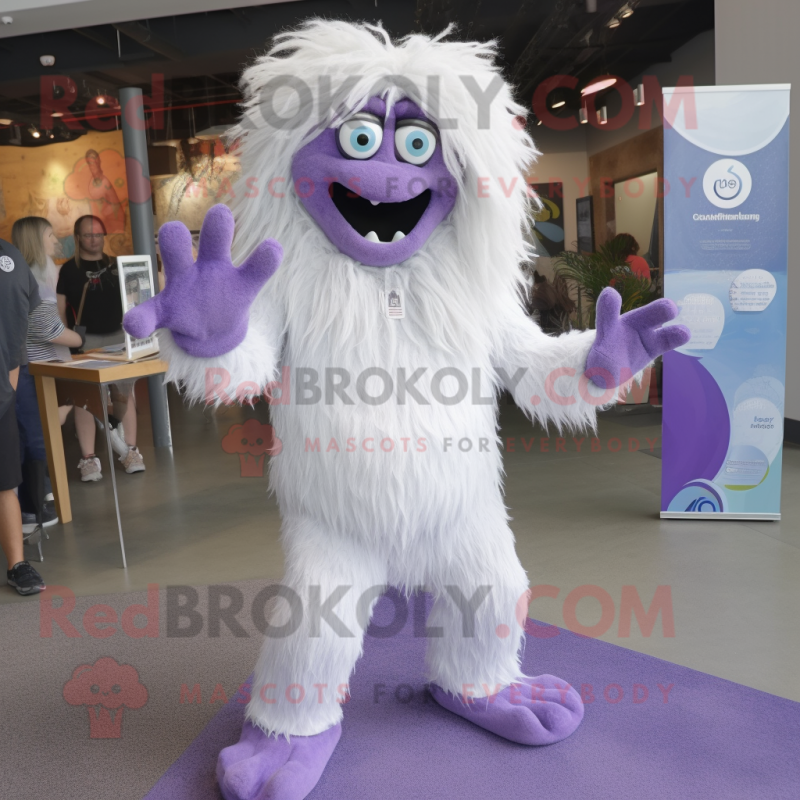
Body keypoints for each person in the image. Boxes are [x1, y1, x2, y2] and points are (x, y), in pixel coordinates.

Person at [56, 215, 145, 479]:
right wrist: (68, 341)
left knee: (124, 394)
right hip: (86, 341)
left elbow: (135, 298)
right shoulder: (69, 270)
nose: (94, 240)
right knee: (85, 399)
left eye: (98, 234)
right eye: (88, 235)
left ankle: (131, 450)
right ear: (78, 237)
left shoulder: (116, 265)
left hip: (119, 336)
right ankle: (88, 459)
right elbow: (61, 309)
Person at [11, 217, 84, 531]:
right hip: (33, 368)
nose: (57, 240)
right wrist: (80, 339)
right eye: (50, 235)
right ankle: (34, 508)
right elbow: (48, 330)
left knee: (43, 428)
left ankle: (37, 501)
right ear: (35, 240)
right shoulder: (33, 278)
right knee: (36, 436)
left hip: (38, 366)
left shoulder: (32, 275)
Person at [0, 235, 47, 595]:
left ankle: (17, 565)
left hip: (2, 394)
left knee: (5, 483)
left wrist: (8, 392)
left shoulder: (10, 258)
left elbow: (17, 335)